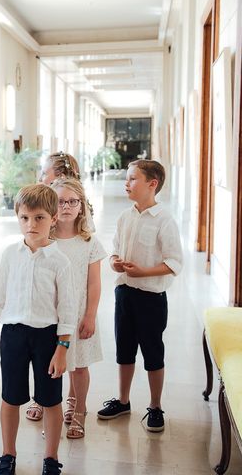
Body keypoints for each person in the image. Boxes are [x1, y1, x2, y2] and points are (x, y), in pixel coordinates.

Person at [0, 184, 76, 475]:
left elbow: (68, 309)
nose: (31, 225)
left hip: (48, 338)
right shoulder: (10, 254)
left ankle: (50, 459)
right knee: (10, 397)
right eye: (24, 218)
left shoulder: (60, 262)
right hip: (13, 336)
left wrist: (63, 348)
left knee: (50, 400)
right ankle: (8, 455)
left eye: (39, 218)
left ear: (54, 218)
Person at [97, 160, 182, 432]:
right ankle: (123, 401)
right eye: (127, 178)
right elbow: (115, 248)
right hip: (124, 294)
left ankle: (155, 406)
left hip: (151, 299)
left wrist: (144, 272)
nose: (127, 183)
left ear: (152, 184)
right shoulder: (125, 217)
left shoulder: (164, 220)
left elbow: (174, 262)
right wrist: (113, 261)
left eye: (133, 178)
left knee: (153, 353)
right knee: (124, 350)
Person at [50, 178, 106, 439]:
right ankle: (52, 410)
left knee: (79, 365)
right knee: (49, 365)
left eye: (73, 201)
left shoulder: (89, 243)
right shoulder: (46, 240)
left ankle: (80, 410)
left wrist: (90, 316)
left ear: (82, 207)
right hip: (51, 313)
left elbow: (94, 284)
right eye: (61, 201)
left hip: (79, 312)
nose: (67, 206)